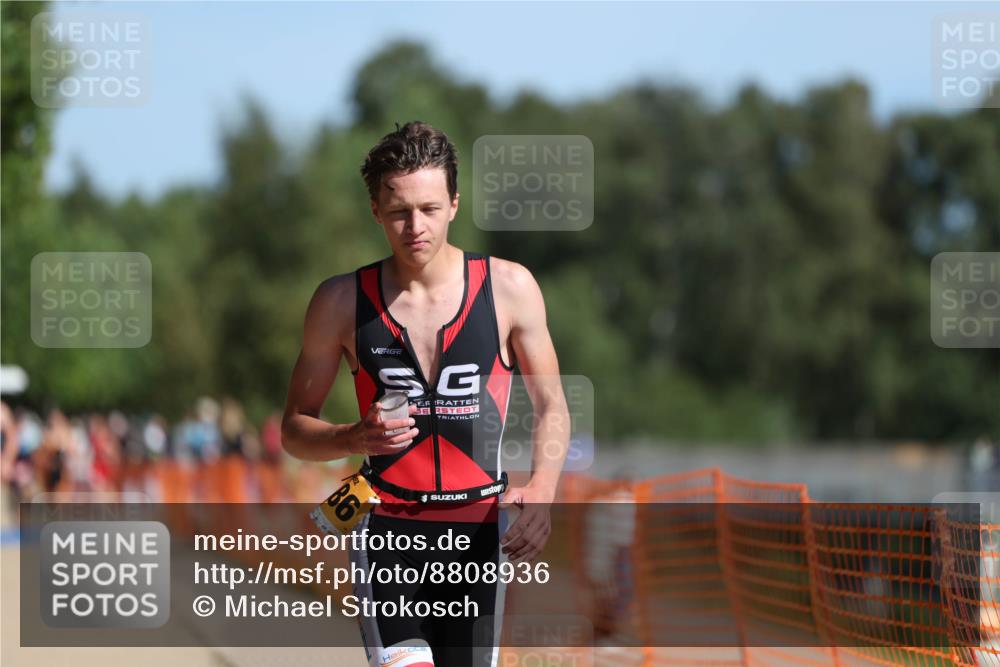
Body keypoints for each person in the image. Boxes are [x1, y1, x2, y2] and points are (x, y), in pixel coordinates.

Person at [282, 122, 570, 667]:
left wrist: (545, 488)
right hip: (386, 529)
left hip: (479, 533)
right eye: (398, 212)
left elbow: (553, 406)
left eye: (430, 209)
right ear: (374, 210)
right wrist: (352, 435)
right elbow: (295, 428)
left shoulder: (509, 288)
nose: (415, 226)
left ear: (455, 204)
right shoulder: (341, 301)